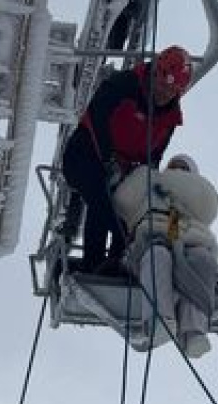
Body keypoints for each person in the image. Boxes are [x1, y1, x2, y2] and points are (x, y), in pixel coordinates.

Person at [58, 44, 194, 273]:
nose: (164, 94)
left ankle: (118, 260)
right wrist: (109, 159)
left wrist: (148, 187)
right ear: (155, 73)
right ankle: (96, 262)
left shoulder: (170, 120)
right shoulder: (122, 86)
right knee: (102, 198)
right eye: (162, 84)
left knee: (129, 206)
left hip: (121, 168)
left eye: (172, 91)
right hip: (85, 154)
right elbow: (97, 120)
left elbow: (154, 157)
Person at [112, 154, 218, 359]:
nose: (178, 171)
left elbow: (207, 208)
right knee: (158, 254)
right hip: (153, 236)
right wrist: (143, 177)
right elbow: (123, 201)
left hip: (189, 238)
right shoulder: (151, 183)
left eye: (183, 168)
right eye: (175, 166)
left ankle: (193, 331)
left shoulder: (195, 200)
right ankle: (160, 319)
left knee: (201, 260)